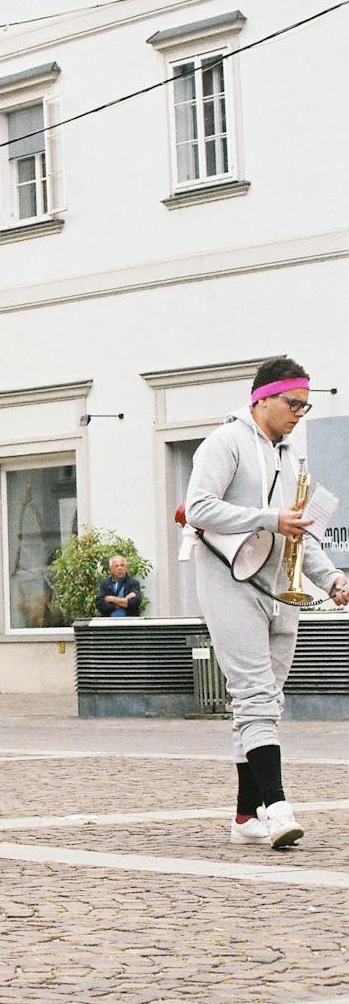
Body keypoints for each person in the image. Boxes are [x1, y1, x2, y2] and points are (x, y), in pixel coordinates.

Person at [186, 356, 349, 849]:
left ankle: (245, 817)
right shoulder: (225, 442)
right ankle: (278, 810)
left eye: (305, 406)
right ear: (262, 399)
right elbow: (198, 506)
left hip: (281, 589)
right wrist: (268, 517)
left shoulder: (292, 457)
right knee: (255, 696)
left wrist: (331, 579)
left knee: (264, 703)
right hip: (231, 583)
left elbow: (301, 532)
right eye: (293, 403)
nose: (299, 413)